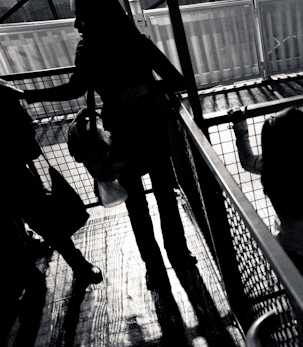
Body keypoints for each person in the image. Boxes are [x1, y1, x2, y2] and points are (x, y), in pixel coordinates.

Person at [23, 0, 196, 290]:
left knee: (137, 206)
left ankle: (153, 267)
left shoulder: (88, 50)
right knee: (165, 196)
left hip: (118, 138)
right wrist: (146, 88)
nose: (77, 24)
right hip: (151, 129)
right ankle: (178, 254)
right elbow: (178, 81)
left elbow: (75, 88)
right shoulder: (136, 43)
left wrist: (30, 96)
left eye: (80, 17)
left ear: (97, 18)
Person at [228, 106, 303, 301]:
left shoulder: (272, 169)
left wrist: (240, 126)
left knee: (297, 290)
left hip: (286, 246)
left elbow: (247, 160)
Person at [1, 79, 103, 287]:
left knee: (11, 227)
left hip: (9, 167)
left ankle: (28, 275)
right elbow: (23, 127)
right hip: (11, 167)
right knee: (42, 219)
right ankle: (78, 265)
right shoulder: (3, 90)